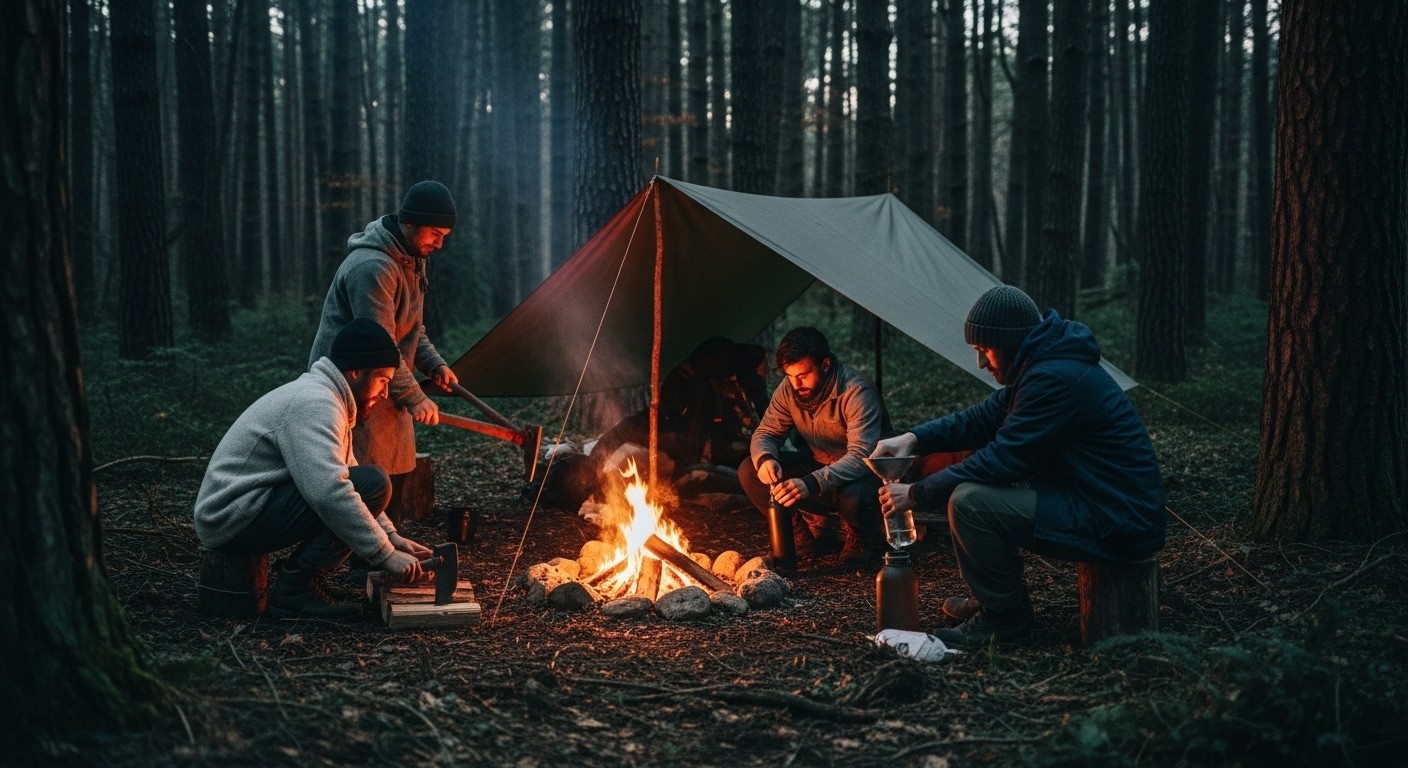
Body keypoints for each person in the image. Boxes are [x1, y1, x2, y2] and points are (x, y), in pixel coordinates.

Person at [873, 285, 1165, 646]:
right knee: (974, 494)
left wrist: (917, 493)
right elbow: (982, 419)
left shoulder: (1052, 379)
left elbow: (1004, 460)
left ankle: (1005, 621)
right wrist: (913, 438)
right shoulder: (1041, 364)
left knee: (970, 503)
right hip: (1097, 502)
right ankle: (995, 598)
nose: (981, 363)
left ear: (1010, 341)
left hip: (1116, 520)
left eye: (984, 350)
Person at [195, 318, 434, 620]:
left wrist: (391, 536)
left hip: (247, 508)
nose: (385, 393)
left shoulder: (329, 398)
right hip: (229, 518)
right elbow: (330, 491)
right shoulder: (315, 404)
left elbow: (345, 469)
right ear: (356, 372)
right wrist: (384, 554)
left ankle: (302, 583)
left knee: (367, 483)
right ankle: (295, 592)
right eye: (383, 380)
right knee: (370, 484)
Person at [307, 180, 460, 511]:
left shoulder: (413, 258)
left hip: (388, 377)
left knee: (395, 473)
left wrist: (435, 364)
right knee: (363, 480)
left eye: (444, 236)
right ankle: (364, 558)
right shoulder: (372, 267)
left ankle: (385, 551)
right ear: (409, 222)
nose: (439, 243)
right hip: (352, 382)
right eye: (434, 233)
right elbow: (380, 343)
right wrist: (415, 396)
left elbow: (410, 329)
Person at [739, 327, 889, 567]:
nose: (796, 384)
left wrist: (810, 483)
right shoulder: (789, 390)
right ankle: (800, 539)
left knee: (856, 498)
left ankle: (862, 538)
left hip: (865, 474)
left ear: (825, 364)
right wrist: (766, 458)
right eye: (790, 375)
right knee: (750, 471)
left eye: (804, 375)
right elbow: (767, 432)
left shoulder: (857, 392)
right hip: (819, 463)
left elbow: (861, 455)